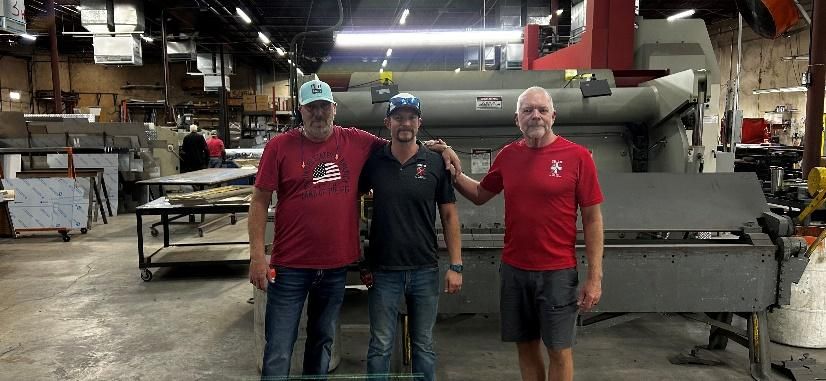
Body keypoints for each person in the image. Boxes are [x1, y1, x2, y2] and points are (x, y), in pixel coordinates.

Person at [248, 79, 462, 379]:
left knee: (321, 341)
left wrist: (443, 149)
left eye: (324, 106)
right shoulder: (279, 146)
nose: (318, 114)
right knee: (280, 345)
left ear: (334, 109)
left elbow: (404, 143)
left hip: (335, 267)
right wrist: (257, 256)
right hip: (290, 266)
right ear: (301, 111)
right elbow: (258, 202)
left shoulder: (356, 140)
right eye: (312, 108)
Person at [452, 86, 604, 381]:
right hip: (515, 271)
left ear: (553, 116)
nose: (535, 116)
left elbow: (593, 220)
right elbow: (481, 194)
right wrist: (453, 170)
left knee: (559, 350)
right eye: (527, 110)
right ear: (517, 119)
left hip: (558, 273)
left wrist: (594, 277)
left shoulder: (578, 157)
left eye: (542, 110)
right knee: (526, 346)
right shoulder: (509, 156)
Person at [358, 93, 462, 381]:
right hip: (384, 271)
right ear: (387, 122)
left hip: (424, 269)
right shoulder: (374, 163)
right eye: (398, 117)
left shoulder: (435, 162)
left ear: (419, 122)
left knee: (424, 346)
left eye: (411, 118)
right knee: (379, 345)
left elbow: (450, 215)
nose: (405, 123)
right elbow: (350, 201)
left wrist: (456, 265)